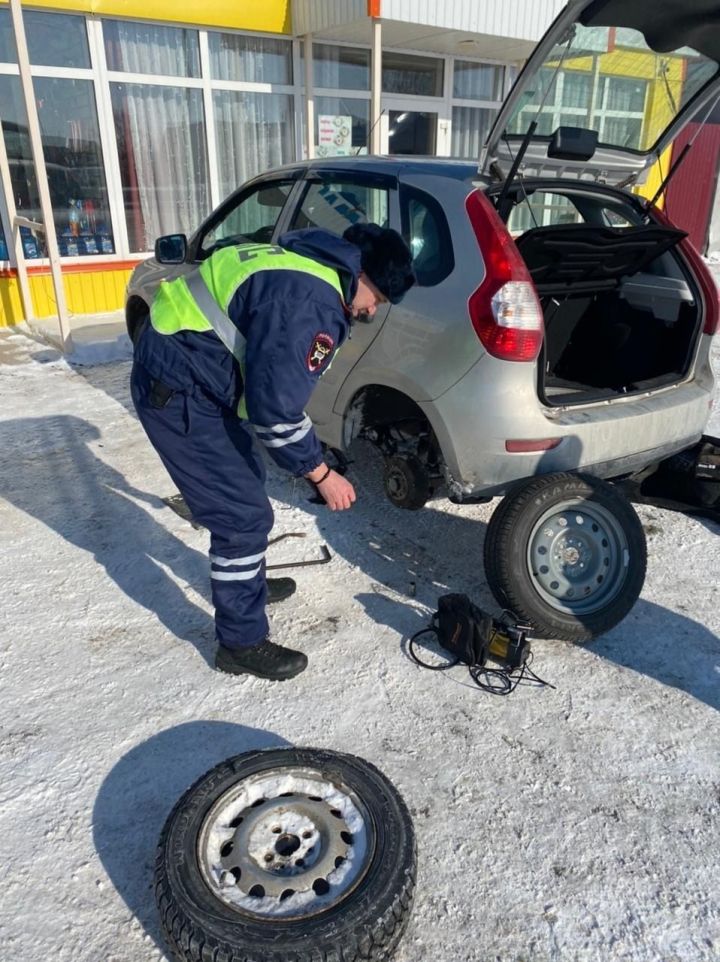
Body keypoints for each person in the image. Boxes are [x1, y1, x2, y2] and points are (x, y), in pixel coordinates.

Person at [131, 222, 415, 681]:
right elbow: (275, 413)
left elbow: (269, 386)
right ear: (361, 273)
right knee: (240, 516)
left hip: (191, 373)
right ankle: (240, 644)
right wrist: (321, 474)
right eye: (378, 297)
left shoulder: (302, 262)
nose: (371, 310)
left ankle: (247, 583)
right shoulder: (311, 303)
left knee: (247, 485)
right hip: (180, 392)